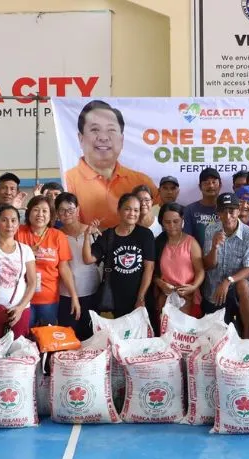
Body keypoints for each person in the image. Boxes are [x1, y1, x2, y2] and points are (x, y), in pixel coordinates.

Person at [65, 100, 159, 229]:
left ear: (121, 139)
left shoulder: (141, 181)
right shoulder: (68, 180)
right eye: (95, 129)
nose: (103, 137)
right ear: (80, 138)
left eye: (111, 130)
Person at [83, 194, 155, 318]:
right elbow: (88, 259)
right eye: (127, 209)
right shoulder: (108, 235)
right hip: (113, 299)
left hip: (139, 297)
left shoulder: (145, 234)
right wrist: (86, 236)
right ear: (119, 211)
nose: (132, 213)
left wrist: (141, 297)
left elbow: (149, 268)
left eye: (136, 210)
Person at [16, 195, 80, 327]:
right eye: (36, 210)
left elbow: (64, 268)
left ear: (51, 215)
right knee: (24, 339)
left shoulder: (58, 236)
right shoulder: (18, 231)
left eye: (45, 211)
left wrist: (74, 296)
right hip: (20, 298)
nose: (40, 214)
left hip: (48, 299)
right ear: (28, 213)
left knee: (47, 339)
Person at [203, 193, 249, 338]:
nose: (227, 216)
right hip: (214, 292)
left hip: (236, 288)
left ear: (239, 211)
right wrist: (214, 247)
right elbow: (208, 265)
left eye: (231, 211)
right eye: (223, 211)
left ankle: (248, 330)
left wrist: (228, 281)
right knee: (217, 338)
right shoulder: (211, 230)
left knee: (243, 284)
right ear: (218, 213)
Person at [0, 205, 36, 340]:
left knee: (17, 353)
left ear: (18, 224)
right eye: (4, 220)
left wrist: (20, 308)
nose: (9, 224)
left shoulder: (25, 250)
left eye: (14, 220)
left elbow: (32, 283)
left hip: (20, 311)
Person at [55, 193, 101, 340]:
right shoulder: (55, 235)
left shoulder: (92, 232)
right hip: (65, 295)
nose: (67, 214)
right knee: (68, 338)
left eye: (70, 209)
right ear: (57, 213)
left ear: (78, 210)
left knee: (91, 337)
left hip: (92, 292)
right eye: (62, 210)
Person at [155, 203, 204, 315]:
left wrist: (193, 286)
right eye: (167, 222)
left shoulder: (191, 243)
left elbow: (200, 270)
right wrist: (160, 283)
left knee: (186, 332)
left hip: (188, 298)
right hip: (165, 300)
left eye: (176, 221)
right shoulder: (158, 243)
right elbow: (153, 272)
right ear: (162, 222)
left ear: (182, 220)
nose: (172, 225)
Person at [183, 168, 221, 248]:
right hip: (197, 257)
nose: (211, 186)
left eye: (214, 182)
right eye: (206, 183)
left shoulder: (226, 209)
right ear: (200, 187)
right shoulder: (189, 210)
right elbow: (187, 239)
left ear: (220, 185)